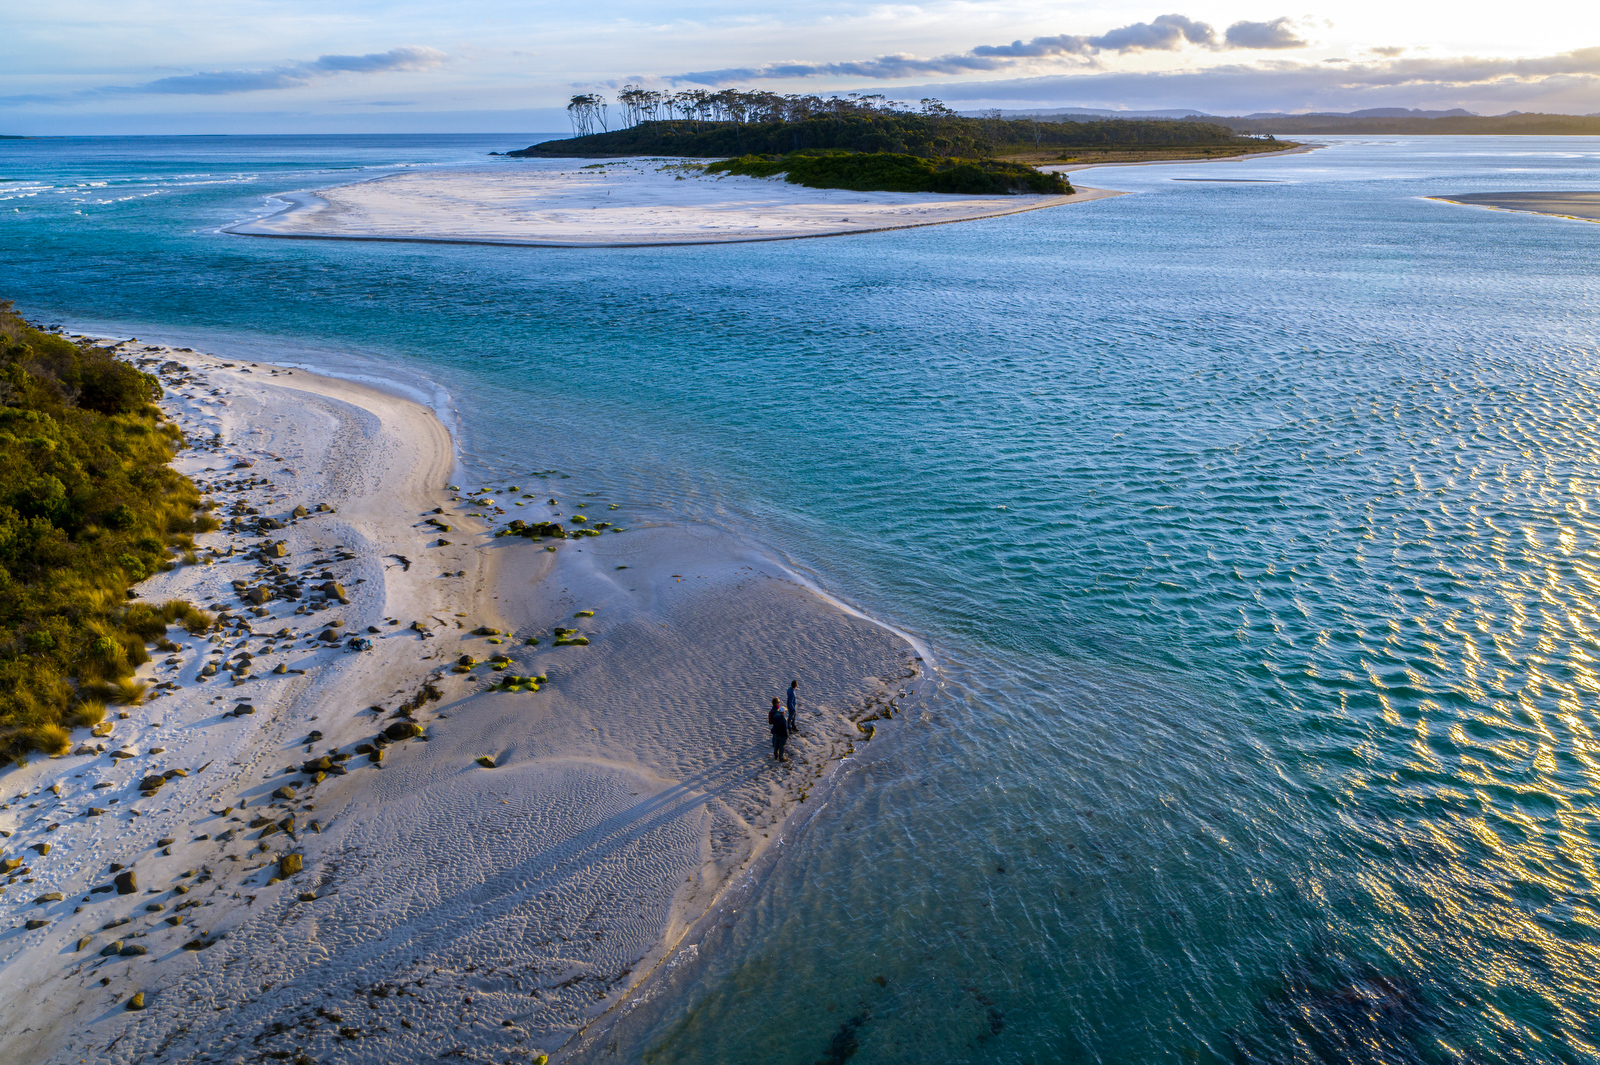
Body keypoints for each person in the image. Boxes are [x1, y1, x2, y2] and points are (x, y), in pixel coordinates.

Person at [768, 696, 789, 761]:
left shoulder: (774, 714)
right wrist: (786, 735)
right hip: (781, 734)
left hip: (776, 731)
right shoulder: (782, 719)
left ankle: (775, 755)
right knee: (781, 746)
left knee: (776, 745)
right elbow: (784, 728)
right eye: (779, 702)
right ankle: (781, 757)